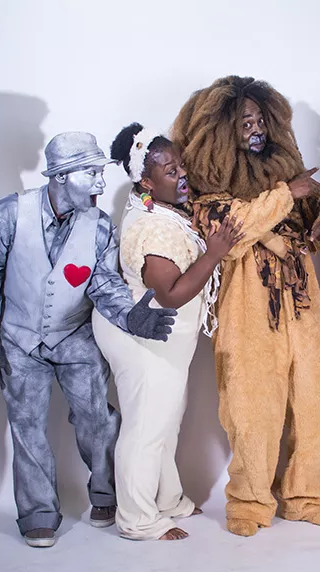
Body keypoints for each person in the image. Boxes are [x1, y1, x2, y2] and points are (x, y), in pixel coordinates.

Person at [172, 76, 320, 537]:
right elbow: (233, 232)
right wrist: (288, 194)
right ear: (223, 132)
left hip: (303, 308)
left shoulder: (288, 178)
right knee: (251, 408)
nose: (256, 127)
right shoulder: (206, 193)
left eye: (261, 118)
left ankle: (307, 497)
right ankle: (248, 503)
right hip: (246, 309)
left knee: (319, 402)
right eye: (245, 120)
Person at [0, 131, 177, 548]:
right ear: (61, 177)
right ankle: (39, 511)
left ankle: (104, 494)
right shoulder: (8, 213)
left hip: (74, 337)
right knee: (27, 427)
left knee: (98, 419)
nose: (102, 183)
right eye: (92, 174)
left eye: (101, 173)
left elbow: (104, 284)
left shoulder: (98, 226)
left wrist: (133, 318)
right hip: (19, 340)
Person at [92, 123, 243, 541]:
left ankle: (168, 499)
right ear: (146, 180)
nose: (181, 176)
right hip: (144, 338)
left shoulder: (156, 208)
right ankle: (138, 519)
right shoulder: (152, 226)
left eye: (181, 166)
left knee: (165, 419)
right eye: (169, 170)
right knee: (145, 426)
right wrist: (214, 253)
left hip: (159, 340)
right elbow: (172, 294)